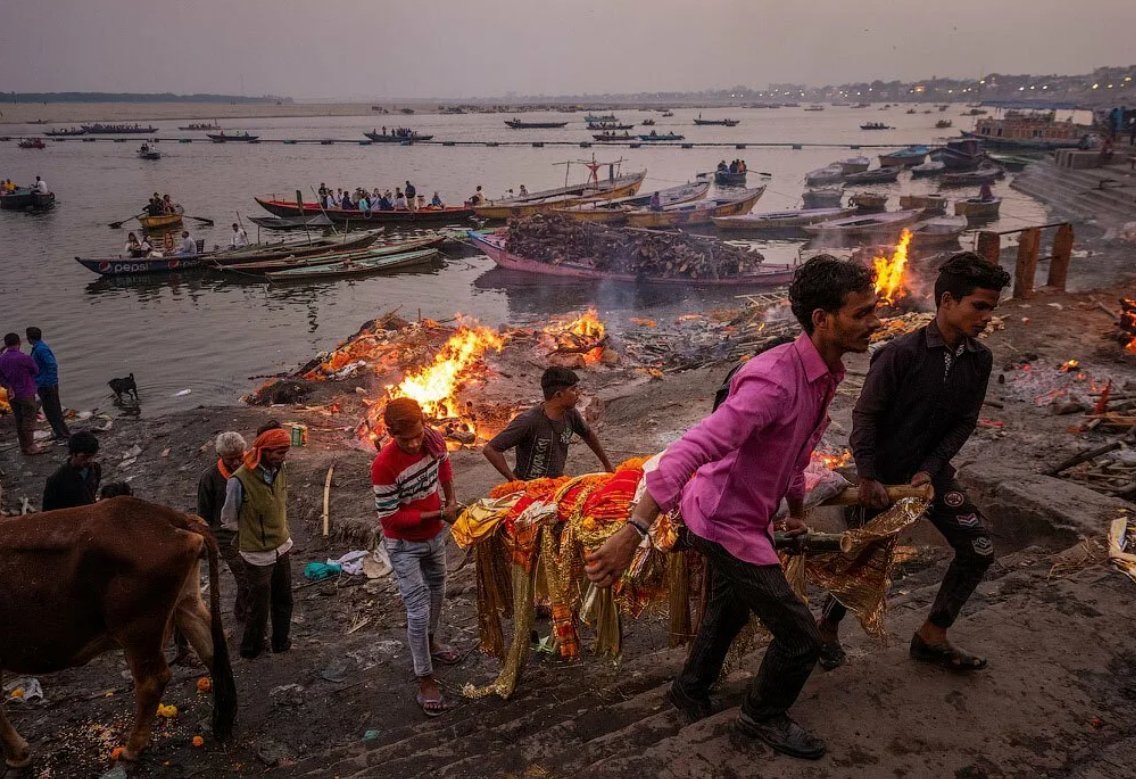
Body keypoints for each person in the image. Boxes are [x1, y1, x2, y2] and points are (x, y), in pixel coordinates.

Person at [585, 256, 882, 761]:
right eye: (862, 313)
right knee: (800, 638)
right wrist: (633, 530)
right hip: (724, 523)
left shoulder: (824, 374)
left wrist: (793, 510)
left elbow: (796, 451)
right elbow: (689, 449)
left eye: (874, 310)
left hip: (743, 515)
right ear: (821, 318)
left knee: (727, 611)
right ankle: (760, 716)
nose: (874, 323)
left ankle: (689, 690)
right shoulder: (772, 381)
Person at [817, 253, 1010, 674]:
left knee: (977, 549)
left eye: (992, 308)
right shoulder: (899, 354)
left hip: (931, 477)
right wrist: (867, 474)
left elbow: (964, 422)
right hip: (881, 479)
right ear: (946, 301)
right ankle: (825, 631)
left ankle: (931, 636)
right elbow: (865, 416)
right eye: (979, 306)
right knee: (863, 560)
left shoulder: (980, 359)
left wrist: (932, 467)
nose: (987, 317)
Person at [372, 398, 462, 716]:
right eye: (405, 439)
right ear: (391, 433)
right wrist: (439, 512)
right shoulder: (384, 465)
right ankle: (424, 678)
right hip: (404, 545)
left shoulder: (432, 440)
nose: (412, 444)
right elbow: (391, 519)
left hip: (434, 535)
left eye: (416, 435)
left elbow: (445, 467)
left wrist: (451, 498)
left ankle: (432, 642)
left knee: (439, 588)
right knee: (417, 609)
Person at [221, 427, 293, 659]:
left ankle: (281, 642)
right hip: (256, 554)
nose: (282, 457)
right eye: (277, 452)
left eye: (285, 452)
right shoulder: (239, 480)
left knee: (284, 599)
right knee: (258, 606)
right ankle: (251, 648)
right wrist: (252, 531)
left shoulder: (281, 470)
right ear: (263, 451)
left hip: (281, 546)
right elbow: (229, 517)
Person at [484, 367, 614, 482]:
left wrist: (607, 465)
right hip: (529, 488)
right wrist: (514, 481)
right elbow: (491, 449)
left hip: (555, 485)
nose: (578, 393)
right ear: (558, 394)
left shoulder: (571, 414)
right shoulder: (528, 421)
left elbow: (588, 434)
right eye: (573, 389)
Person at [198, 431, 252, 623]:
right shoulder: (210, 478)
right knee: (244, 577)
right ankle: (244, 614)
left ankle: (244, 610)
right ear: (220, 457)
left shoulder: (252, 468)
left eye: (240, 457)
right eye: (231, 459)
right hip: (225, 535)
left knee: (252, 576)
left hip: (250, 530)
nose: (237, 463)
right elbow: (203, 514)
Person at [0, 332, 44, 456]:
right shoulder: (24, 358)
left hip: (11, 394)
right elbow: (35, 370)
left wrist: (8, 386)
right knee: (29, 418)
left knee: (19, 419)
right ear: (19, 342)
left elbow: (1, 377)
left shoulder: (1, 359)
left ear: (6, 344)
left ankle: (24, 447)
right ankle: (31, 446)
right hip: (25, 391)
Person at [26, 327, 69, 441]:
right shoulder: (38, 348)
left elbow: (52, 364)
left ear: (29, 338)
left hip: (47, 384)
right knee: (50, 410)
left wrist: (50, 381)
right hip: (43, 383)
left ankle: (63, 434)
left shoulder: (41, 349)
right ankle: (59, 432)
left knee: (53, 410)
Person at [43, 431, 102, 510]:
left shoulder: (95, 469)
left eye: (92, 456)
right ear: (73, 454)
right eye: (84, 457)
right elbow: (48, 511)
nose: (89, 460)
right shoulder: (56, 480)